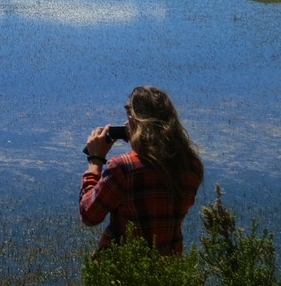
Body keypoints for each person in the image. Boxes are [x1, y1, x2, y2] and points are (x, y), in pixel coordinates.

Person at [79, 85, 203, 255]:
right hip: (169, 266)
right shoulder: (191, 166)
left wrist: (96, 160)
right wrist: (139, 143)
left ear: (133, 120)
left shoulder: (123, 168)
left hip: (122, 265)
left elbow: (89, 216)